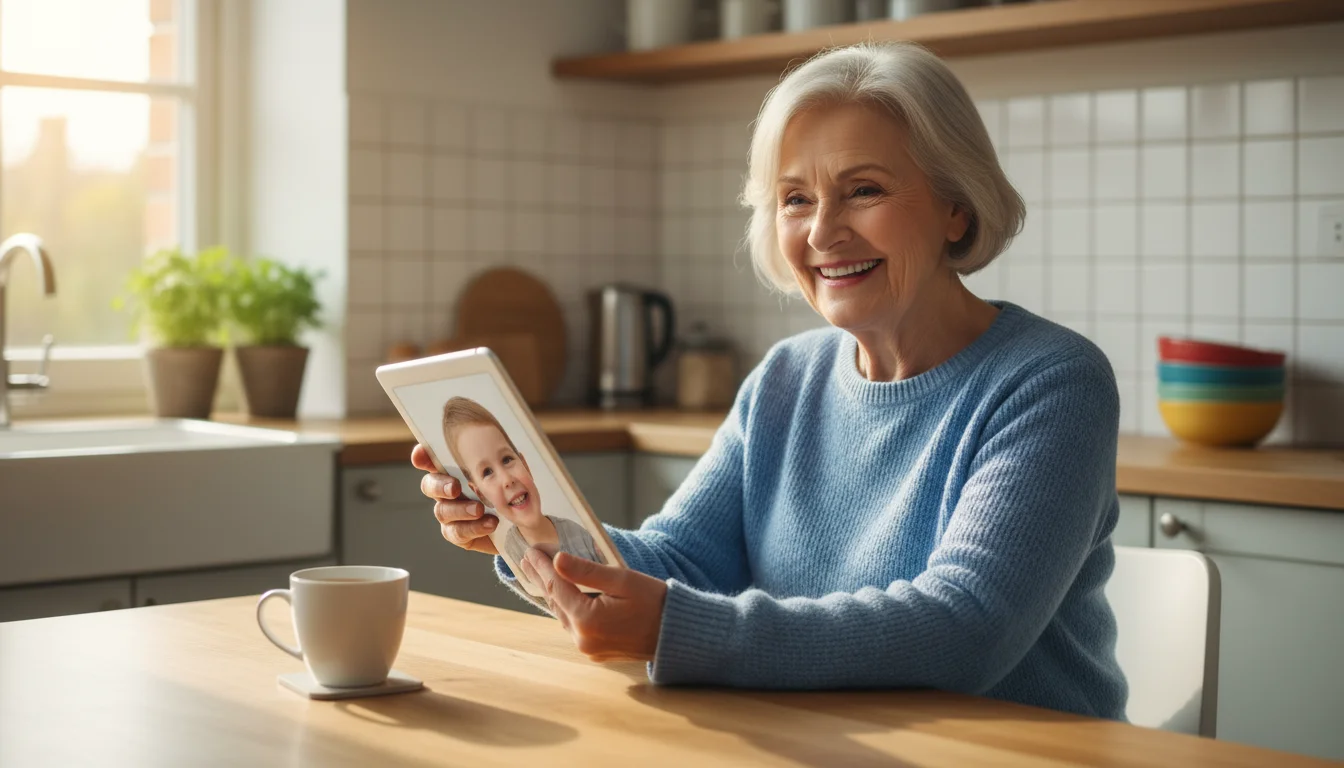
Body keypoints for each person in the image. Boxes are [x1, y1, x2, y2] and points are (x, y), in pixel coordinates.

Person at [416, 41, 1128, 719]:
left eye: (864, 190)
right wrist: (534, 529)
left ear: (956, 207)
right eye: (795, 198)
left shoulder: (1051, 382)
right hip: (825, 744)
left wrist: (675, 627)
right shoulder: (786, 378)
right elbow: (682, 561)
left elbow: (963, 631)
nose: (822, 233)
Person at [439, 397, 605, 583]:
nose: (507, 480)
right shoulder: (509, 548)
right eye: (487, 472)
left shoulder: (581, 535)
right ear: (480, 494)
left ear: (525, 464)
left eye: (507, 460)